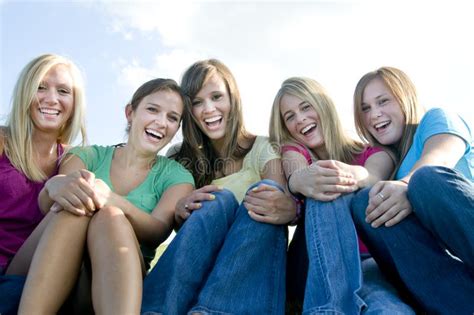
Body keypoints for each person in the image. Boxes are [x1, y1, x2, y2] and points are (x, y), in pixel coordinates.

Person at [17, 78, 195, 315]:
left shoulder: (177, 176)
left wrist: (113, 201)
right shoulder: (85, 155)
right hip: (45, 268)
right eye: (152, 109)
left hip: (113, 284)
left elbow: (159, 231)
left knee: (108, 215)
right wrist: (55, 185)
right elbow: (51, 206)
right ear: (130, 113)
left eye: (172, 118)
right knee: (76, 206)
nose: (161, 122)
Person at [141, 59, 296, 314]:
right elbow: (167, 217)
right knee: (217, 201)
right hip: (197, 270)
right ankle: (156, 310)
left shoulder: (263, 147)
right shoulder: (179, 155)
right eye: (197, 102)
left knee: (263, 194)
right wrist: (179, 208)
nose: (209, 109)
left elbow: (275, 201)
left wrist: (288, 205)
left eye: (216, 97)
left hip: (247, 276)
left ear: (233, 100)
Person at [269, 76, 414, 314]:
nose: (300, 119)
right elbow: (296, 172)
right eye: (290, 116)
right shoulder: (294, 151)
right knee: (323, 183)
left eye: (306, 107)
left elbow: (373, 176)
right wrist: (298, 180)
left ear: (323, 106)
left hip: (366, 262)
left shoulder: (375, 153)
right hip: (310, 264)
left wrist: (353, 173)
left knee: (388, 309)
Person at [350, 66, 474, 313]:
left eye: (383, 101)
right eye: (365, 109)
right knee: (365, 202)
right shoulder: (389, 163)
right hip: (451, 280)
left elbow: (440, 156)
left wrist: (406, 185)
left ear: (405, 98)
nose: (374, 114)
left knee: (425, 180)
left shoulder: (436, 119)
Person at [0, 54, 87, 314]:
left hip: (38, 272)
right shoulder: (3, 141)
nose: (51, 99)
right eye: (40, 87)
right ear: (26, 91)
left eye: (63, 91)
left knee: (77, 206)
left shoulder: (73, 157)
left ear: (74, 102)